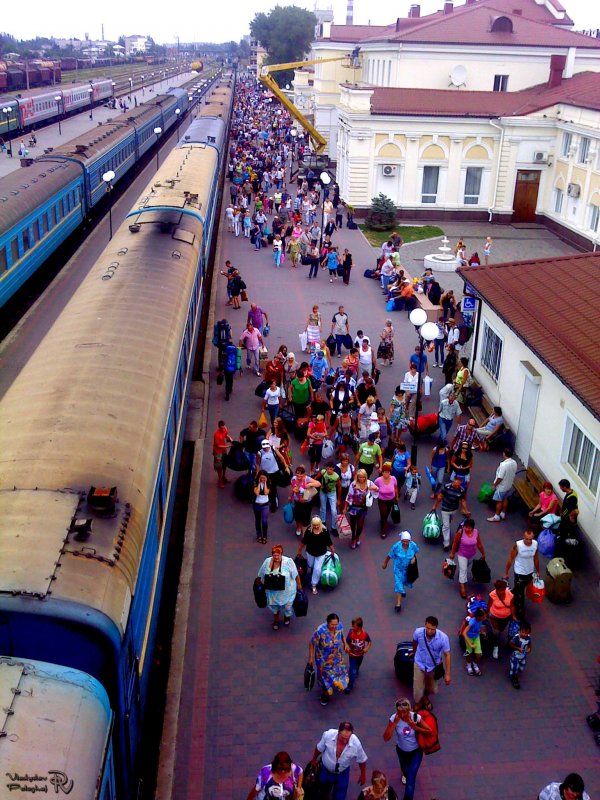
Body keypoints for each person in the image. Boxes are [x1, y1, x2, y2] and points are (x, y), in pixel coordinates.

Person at [383, 699, 431, 800]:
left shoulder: (415, 717)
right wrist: (394, 724)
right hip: (401, 751)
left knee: (410, 780)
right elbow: (386, 738)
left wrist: (415, 727)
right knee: (405, 770)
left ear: (409, 710)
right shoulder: (393, 718)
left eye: (404, 712)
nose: (402, 714)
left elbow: (429, 731)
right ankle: (405, 773)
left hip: (416, 752)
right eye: (399, 712)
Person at [311, 721, 368, 798]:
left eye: (347, 738)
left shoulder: (356, 744)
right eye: (342, 738)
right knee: (322, 792)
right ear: (338, 732)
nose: (345, 741)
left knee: (340, 796)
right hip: (326, 770)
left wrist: (363, 774)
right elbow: (319, 748)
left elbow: (362, 760)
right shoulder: (328, 735)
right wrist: (314, 759)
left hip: (342, 773)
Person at [308, 614, 350, 706]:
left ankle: (339, 684)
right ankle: (325, 694)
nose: (334, 627)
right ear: (327, 623)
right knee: (325, 678)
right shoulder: (320, 631)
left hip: (337, 657)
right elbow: (312, 644)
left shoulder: (339, 626)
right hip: (323, 660)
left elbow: (342, 635)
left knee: (338, 672)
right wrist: (310, 658)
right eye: (332, 624)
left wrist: (345, 644)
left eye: (336, 624)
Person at [412, 616, 451, 711]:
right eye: (427, 628)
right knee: (417, 691)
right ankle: (419, 702)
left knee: (432, 689)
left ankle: (425, 697)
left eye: (432, 629)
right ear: (425, 625)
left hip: (433, 666)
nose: (429, 631)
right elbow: (414, 642)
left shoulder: (443, 638)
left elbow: (447, 655)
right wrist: (414, 652)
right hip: (419, 663)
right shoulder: (418, 632)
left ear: (436, 628)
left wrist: (448, 674)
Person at [257, 544, 301, 630]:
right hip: (272, 592)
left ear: (281, 554)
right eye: (274, 555)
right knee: (274, 607)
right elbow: (261, 573)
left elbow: (296, 575)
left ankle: (287, 616)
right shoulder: (267, 561)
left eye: (278, 555)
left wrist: (299, 586)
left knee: (288, 606)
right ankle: (276, 620)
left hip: (287, 591)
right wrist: (258, 584)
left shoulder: (288, 561)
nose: (276, 557)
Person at [504, 529, 540, 622]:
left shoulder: (535, 544)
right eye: (526, 539)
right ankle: (520, 612)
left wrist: (538, 571)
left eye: (530, 539)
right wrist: (506, 572)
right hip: (519, 572)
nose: (528, 541)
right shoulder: (518, 545)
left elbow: (536, 558)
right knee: (520, 594)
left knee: (522, 587)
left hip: (529, 571)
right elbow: (511, 558)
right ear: (523, 537)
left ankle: (511, 592)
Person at [382, 531, 420, 613]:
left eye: (407, 541)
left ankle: (402, 590)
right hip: (398, 569)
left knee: (404, 581)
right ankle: (398, 604)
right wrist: (385, 564)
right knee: (398, 584)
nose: (405, 543)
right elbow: (389, 555)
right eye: (404, 541)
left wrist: (414, 558)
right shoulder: (396, 546)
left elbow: (416, 552)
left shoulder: (413, 545)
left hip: (407, 569)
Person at [297, 515, 335, 595]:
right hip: (310, 552)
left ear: (320, 524)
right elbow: (304, 542)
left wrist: (332, 550)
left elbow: (328, 541)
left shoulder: (324, 531)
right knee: (310, 565)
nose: (316, 526)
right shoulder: (309, 531)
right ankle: (313, 573)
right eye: (314, 525)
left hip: (321, 553)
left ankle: (314, 584)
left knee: (317, 569)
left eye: (317, 525)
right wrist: (300, 550)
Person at [449, 518, 486, 599]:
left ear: (472, 528)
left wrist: (483, 553)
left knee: (465, 567)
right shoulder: (460, 532)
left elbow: (479, 544)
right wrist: (452, 553)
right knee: (463, 570)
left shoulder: (476, 532)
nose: (466, 529)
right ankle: (463, 589)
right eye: (465, 527)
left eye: (469, 528)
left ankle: (462, 576)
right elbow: (455, 543)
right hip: (462, 554)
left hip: (472, 554)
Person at [431, 475, 470, 550]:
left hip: (454, 509)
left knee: (448, 522)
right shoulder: (446, 487)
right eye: (455, 484)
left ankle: (443, 525)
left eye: (458, 485)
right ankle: (446, 543)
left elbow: (463, 501)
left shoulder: (461, 490)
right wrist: (435, 506)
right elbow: (440, 497)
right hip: (445, 509)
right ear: (453, 481)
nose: (456, 486)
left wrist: (466, 510)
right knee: (446, 526)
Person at [344, 469, 379, 549]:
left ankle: (357, 537)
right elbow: (349, 496)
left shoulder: (369, 483)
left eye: (363, 477)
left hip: (363, 507)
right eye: (360, 477)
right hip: (353, 506)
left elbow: (376, 491)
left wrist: (375, 489)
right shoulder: (353, 484)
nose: (362, 479)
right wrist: (345, 507)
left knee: (360, 525)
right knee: (353, 525)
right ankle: (353, 538)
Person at [487, 578, 517, 660]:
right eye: (499, 590)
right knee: (496, 632)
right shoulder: (492, 595)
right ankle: (496, 647)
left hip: (506, 617)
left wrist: (514, 616)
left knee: (502, 629)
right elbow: (489, 604)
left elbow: (512, 606)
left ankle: (497, 635)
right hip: (494, 616)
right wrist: (486, 613)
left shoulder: (510, 595)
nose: (501, 592)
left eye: (502, 590)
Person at [487, 447, 518, 522]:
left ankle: (496, 516)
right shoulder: (514, 462)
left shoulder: (504, 465)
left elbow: (500, 477)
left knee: (499, 501)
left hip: (502, 486)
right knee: (505, 499)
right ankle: (503, 513)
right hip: (509, 485)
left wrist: (494, 485)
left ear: (504, 453)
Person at [289, 465, 321, 537]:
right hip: (297, 502)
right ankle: (298, 528)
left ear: (304, 474)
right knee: (298, 516)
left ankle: (304, 533)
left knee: (306, 518)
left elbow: (319, 484)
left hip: (307, 503)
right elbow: (292, 488)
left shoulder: (307, 479)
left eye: (301, 475)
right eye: (297, 475)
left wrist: (310, 484)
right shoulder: (293, 479)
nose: (299, 477)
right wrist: (290, 496)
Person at [256, 440, 287, 512]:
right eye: (264, 447)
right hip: (266, 474)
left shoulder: (273, 449)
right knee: (270, 488)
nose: (266, 448)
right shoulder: (259, 453)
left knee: (273, 488)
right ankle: (272, 503)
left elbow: (281, 457)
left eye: (267, 447)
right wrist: (257, 473)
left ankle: (274, 503)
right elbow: (257, 463)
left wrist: (286, 466)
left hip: (275, 472)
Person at [344, 616, 372, 694]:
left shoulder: (364, 634)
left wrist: (367, 648)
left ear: (359, 627)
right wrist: (347, 647)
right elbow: (346, 642)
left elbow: (369, 642)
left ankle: (356, 670)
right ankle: (350, 686)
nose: (352, 627)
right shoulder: (351, 633)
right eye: (352, 625)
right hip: (352, 655)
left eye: (354, 626)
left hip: (360, 655)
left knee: (357, 666)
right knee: (352, 671)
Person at [460, 607, 487, 676]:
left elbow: (479, 627)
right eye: (483, 616)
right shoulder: (472, 622)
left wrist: (481, 632)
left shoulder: (480, 620)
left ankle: (474, 664)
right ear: (479, 616)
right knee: (468, 652)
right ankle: (468, 665)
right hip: (469, 638)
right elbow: (464, 633)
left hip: (476, 637)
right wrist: (470, 644)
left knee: (478, 655)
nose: (485, 617)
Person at [318, 462, 341, 534]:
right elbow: (316, 478)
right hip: (323, 491)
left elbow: (339, 486)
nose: (329, 470)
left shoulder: (336, 476)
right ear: (326, 468)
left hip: (332, 493)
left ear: (333, 469)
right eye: (328, 468)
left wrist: (339, 499)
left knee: (334, 511)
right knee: (323, 507)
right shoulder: (323, 472)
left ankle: (334, 527)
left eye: (331, 469)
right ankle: (322, 522)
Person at [509, 620, 532, 689]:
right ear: (520, 631)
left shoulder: (528, 638)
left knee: (521, 668)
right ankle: (513, 678)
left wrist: (529, 649)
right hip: (515, 656)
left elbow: (529, 645)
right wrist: (518, 648)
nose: (524, 634)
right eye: (523, 632)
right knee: (514, 668)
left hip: (523, 656)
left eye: (526, 633)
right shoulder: (517, 637)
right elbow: (511, 644)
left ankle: (516, 671)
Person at [253, 471, 272, 544]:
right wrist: (258, 483)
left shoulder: (268, 483)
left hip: (265, 505)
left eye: (264, 478)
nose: (263, 480)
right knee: (258, 520)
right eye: (261, 478)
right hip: (257, 504)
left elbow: (266, 492)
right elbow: (257, 493)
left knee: (264, 521)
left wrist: (265, 483)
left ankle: (265, 535)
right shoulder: (255, 482)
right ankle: (259, 535)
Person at [213, 420, 232, 488]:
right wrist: (228, 446)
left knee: (224, 464)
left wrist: (230, 439)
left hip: (223, 451)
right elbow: (218, 445)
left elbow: (226, 435)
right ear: (219, 427)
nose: (223, 428)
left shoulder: (224, 429)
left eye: (224, 427)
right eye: (222, 427)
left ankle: (223, 477)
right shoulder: (216, 435)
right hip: (218, 452)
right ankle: (220, 481)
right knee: (219, 467)